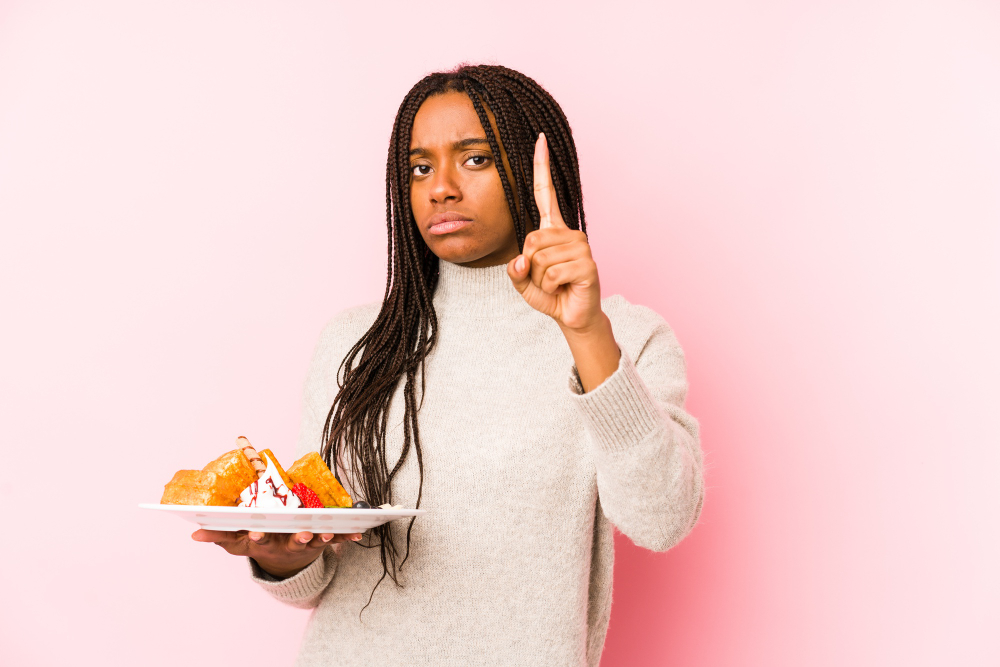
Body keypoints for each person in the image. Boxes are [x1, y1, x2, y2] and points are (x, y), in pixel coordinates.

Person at [192, 64, 704, 666]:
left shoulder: (629, 340)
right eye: (420, 167)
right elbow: (318, 569)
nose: (440, 188)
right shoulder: (355, 343)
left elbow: (662, 518)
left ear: (536, 169)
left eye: (476, 159)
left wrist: (585, 332)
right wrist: (282, 555)